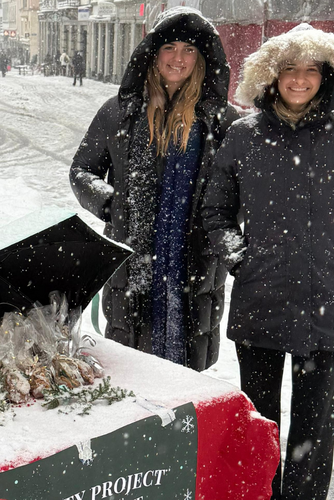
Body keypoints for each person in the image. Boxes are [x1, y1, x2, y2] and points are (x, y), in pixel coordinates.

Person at [201, 24, 334, 500]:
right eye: (290, 69)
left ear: (327, 76)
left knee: (314, 430)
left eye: (311, 70)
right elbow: (216, 210)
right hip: (260, 297)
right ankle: (260, 494)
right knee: (259, 423)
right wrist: (239, 258)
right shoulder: (243, 135)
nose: (300, 80)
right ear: (271, 75)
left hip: (326, 302)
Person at [69, 7, 237, 370]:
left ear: (202, 59)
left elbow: (239, 191)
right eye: (170, 48)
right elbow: (82, 171)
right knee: (132, 365)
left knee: (187, 372)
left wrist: (218, 225)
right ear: (153, 53)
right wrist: (112, 205)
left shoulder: (222, 121)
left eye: (189, 50)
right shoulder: (119, 112)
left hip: (194, 260)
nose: (178, 58)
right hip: (133, 255)